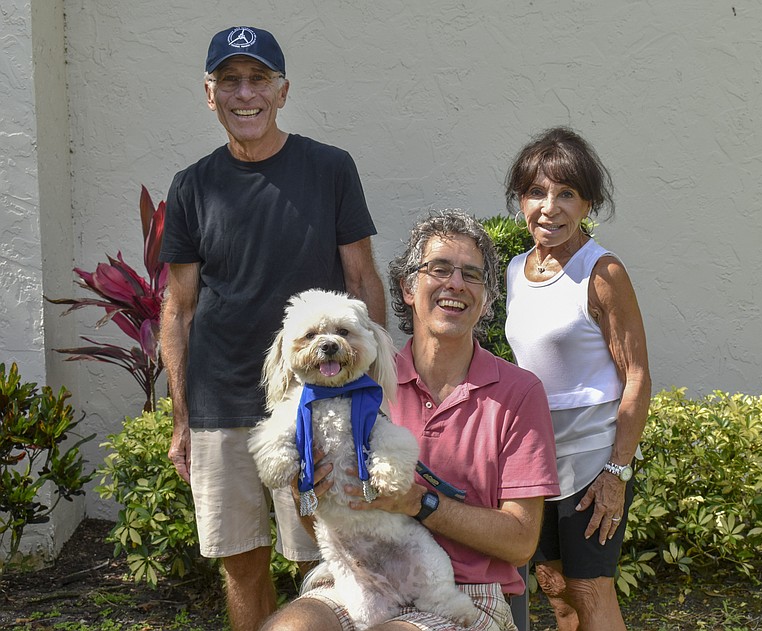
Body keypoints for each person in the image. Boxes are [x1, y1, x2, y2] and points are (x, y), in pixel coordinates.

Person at [158, 26, 385, 631]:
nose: (245, 93)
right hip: (221, 405)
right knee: (242, 565)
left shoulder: (331, 169)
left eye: (258, 79)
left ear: (283, 91)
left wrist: (378, 395)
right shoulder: (192, 186)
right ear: (210, 95)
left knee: (334, 562)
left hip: (317, 404)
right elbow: (177, 310)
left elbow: (362, 282)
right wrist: (182, 418)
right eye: (229, 80)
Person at [260, 210, 560, 631]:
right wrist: (306, 493)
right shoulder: (353, 382)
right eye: (439, 269)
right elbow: (319, 524)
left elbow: (522, 542)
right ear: (407, 287)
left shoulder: (518, 393)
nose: (455, 283)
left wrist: (419, 503)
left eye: (471, 275)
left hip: (469, 591)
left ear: (487, 300)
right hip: (353, 574)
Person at [503, 127, 651, 631]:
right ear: (520, 200)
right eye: (537, 192)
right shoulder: (514, 271)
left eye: (566, 193)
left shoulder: (602, 270)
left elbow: (637, 377)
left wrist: (618, 472)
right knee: (556, 591)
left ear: (588, 202)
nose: (550, 207)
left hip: (593, 459)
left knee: (590, 590)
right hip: (533, 456)